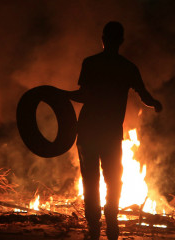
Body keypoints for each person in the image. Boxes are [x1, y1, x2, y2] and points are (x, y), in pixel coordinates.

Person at [68, 21, 162, 240]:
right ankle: (111, 224)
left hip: (89, 131)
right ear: (121, 41)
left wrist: (60, 95)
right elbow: (145, 96)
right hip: (110, 134)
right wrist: (156, 103)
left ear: (103, 39)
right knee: (113, 180)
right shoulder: (127, 67)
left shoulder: (90, 63)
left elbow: (84, 95)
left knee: (90, 180)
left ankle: (94, 226)